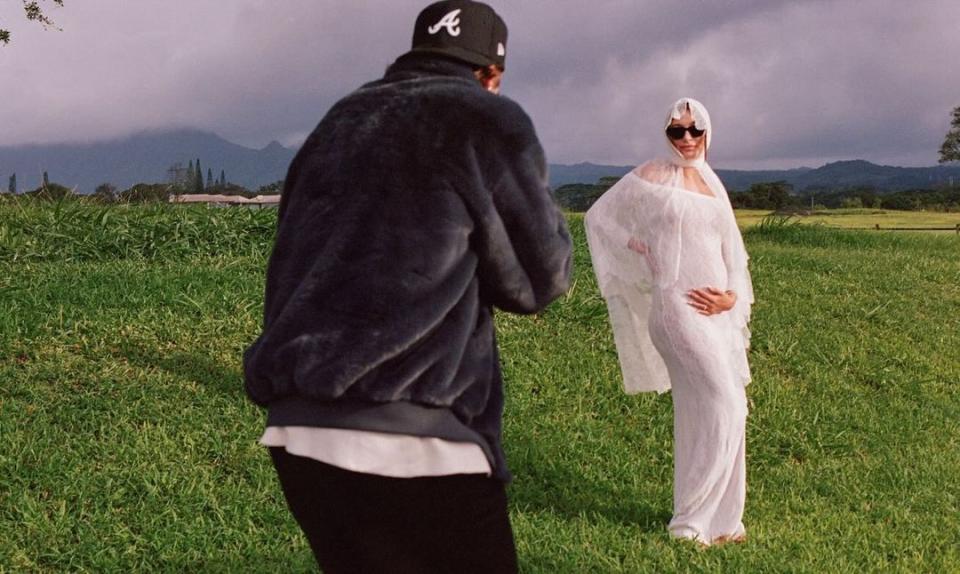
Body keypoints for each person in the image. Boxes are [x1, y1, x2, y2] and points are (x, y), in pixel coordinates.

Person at [242, 1, 572, 572]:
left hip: (299, 430)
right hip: (418, 432)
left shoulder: (339, 120)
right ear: (491, 74)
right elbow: (538, 281)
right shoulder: (486, 117)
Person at [584, 97, 753, 546]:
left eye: (695, 130)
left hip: (716, 314)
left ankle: (722, 522)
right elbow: (598, 217)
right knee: (726, 405)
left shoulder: (713, 185)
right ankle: (688, 523)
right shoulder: (652, 175)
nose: (687, 139)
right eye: (677, 131)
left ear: (708, 132)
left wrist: (732, 295)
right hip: (676, 311)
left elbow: (733, 252)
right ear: (666, 135)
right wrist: (638, 246)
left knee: (709, 409)